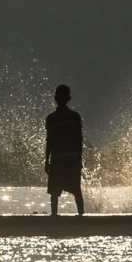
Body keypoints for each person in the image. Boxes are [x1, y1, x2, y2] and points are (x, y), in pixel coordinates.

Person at [45, 84, 84, 216]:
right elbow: (79, 140)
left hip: (58, 158)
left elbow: (49, 141)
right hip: (72, 158)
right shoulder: (75, 116)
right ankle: (81, 217)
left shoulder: (51, 118)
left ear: (55, 98)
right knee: (76, 191)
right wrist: (79, 158)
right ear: (69, 98)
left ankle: (54, 217)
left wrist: (46, 161)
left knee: (54, 193)